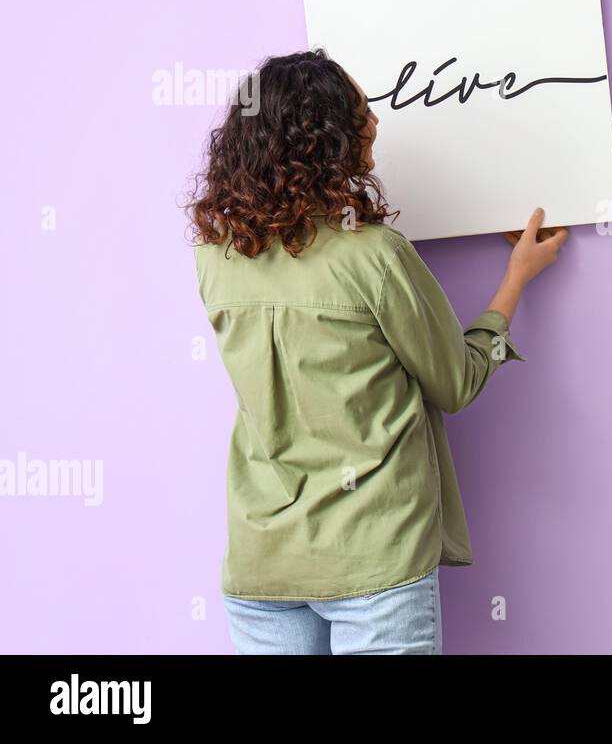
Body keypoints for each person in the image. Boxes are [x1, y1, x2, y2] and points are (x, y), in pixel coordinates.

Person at [187, 49, 568, 654]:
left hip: (262, 563)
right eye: (361, 112)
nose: (375, 123)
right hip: (373, 559)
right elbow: (457, 383)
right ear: (326, 139)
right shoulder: (375, 255)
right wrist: (516, 278)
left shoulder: (216, 256)